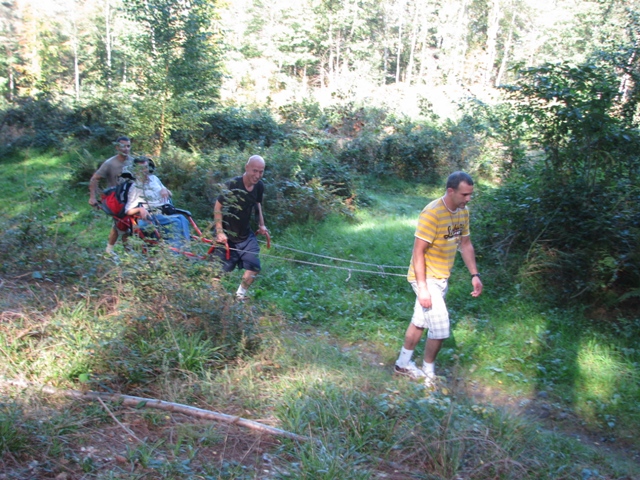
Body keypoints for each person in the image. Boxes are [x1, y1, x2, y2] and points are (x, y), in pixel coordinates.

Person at [394, 171, 483, 387]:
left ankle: (402, 364)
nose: (468, 198)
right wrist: (423, 288)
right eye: (464, 194)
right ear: (450, 191)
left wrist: (475, 274)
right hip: (425, 277)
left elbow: (465, 244)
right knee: (441, 329)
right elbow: (418, 252)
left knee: (420, 321)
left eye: (470, 194)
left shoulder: (463, 212)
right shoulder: (432, 213)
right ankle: (428, 374)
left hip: (442, 277)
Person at [214, 155, 268, 300]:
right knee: (219, 271)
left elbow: (257, 204)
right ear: (247, 168)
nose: (257, 175)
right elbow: (218, 206)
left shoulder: (259, 186)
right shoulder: (232, 184)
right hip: (226, 234)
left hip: (245, 234)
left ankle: (239, 297)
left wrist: (261, 225)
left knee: (254, 266)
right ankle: (214, 300)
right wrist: (219, 232)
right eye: (255, 171)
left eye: (261, 172)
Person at [124, 157, 191, 249]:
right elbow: (127, 210)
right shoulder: (135, 187)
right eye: (142, 168)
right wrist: (140, 209)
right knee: (175, 222)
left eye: (146, 167)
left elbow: (170, 194)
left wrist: (165, 189)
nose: (145, 170)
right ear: (136, 171)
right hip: (151, 216)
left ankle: (185, 249)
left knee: (183, 219)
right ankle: (175, 254)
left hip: (165, 212)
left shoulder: (154, 179)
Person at [89, 136, 134, 254]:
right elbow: (94, 179)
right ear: (117, 147)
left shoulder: (133, 162)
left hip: (131, 198)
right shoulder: (110, 163)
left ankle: (116, 251)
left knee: (126, 225)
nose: (126, 149)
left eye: (128, 146)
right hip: (116, 199)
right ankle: (121, 252)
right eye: (123, 146)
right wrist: (93, 197)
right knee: (122, 225)